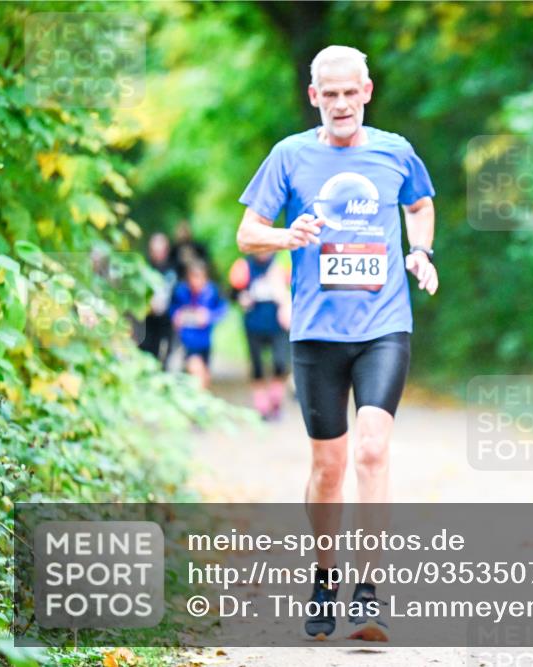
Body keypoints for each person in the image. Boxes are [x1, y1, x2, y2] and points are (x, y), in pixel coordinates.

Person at [235, 45, 438, 642]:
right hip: (317, 333)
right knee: (329, 467)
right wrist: (284, 235)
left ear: (367, 92)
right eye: (331, 94)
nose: (342, 104)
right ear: (314, 96)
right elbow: (247, 235)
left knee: (373, 449)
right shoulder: (289, 156)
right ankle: (325, 577)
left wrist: (420, 252)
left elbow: (421, 205)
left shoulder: (395, 151)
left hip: (383, 325)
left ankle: (368, 592)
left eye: (352, 93)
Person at [228, 252, 291, 420]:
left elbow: (295, 287)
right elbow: (233, 293)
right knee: (257, 365)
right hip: (253, 324)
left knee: (280, 362)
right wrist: (242, 298)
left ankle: (276, 401)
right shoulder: (243, 266)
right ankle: (261, 406)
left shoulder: (281, 263)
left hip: (278, 324)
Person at [170, 260, 227, 390]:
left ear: (205, 278)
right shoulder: (181, 292)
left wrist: (208, 316)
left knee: (204, 376)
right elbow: (172, 308)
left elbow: (223, 310)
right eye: (192, 277)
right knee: (195, 370)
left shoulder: (212, 292)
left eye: (199, 277)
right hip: (187, 342)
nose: (195, 282)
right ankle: (198, 404)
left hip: (205, 342)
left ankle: (201, 402)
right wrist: (176, 316)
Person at [139, 232, 177, 368]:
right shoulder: (144, 268)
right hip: (147, 319)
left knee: (165, 354)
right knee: (146, 351)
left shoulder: (173, 270)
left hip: (167, 320)